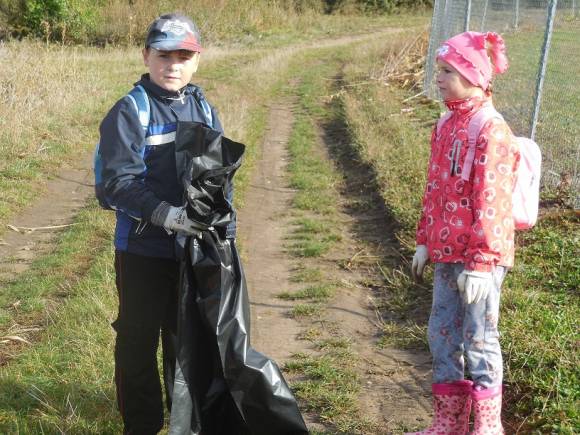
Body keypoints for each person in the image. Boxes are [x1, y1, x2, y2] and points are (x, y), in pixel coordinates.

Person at [97, 13, 234, 434]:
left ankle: (182, 422)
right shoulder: (129, 111)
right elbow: (115, 185)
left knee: (184, 339)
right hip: (141, 250)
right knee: (137, 340)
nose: (172, 65)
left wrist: (223, 220)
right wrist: (168, 216)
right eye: (163, 55)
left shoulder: (203, 107)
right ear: (146, 56)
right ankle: (141, 424)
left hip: (189, 251)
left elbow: (218, 173)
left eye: (182, 56)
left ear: (196, 61)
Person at [410, 31, 518, 435]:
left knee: (479, 338)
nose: (438, 77)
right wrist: (424, 239)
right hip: (447, 253)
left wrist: (481, 263)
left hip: (479, 262)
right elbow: (434, 188)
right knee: (443, 335)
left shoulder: (490, 129)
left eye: (448, 70)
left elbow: (493, 204)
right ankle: (448, 424)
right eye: (439, 69)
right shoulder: (445, 124)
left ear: (475, 76)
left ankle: (488, 427)